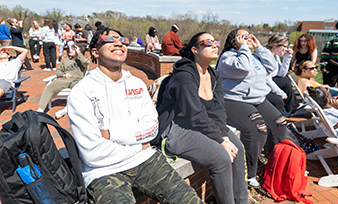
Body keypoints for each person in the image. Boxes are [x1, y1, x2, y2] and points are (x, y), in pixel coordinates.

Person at [67, 27, 203, 204]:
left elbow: (152, 128)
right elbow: (92, 153)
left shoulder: (136, 84)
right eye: (109, 40)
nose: (118, 43)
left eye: (122, 40)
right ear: (95, 52)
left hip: (147, 161)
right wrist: (139, 146)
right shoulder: (81, 92)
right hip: (103, 172)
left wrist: (112, 135)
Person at [156, 32, 249, 204]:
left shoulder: (214, 75)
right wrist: (221, 141)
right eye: (207, 42)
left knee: (238, 148)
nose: (214, 45)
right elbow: (195, 113)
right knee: (221, 157)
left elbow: (218, 110)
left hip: (200, 123)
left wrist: (224, 136)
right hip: (175, 128)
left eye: (215, 41)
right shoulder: (184, 76)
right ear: (195, 50)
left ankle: (242, 201)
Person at [216, 29, 287, 188]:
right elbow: (244, 68)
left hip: (257, 99)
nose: (247, 39)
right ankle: (250, 172)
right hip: (233, 100)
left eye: (249, 36)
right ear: (235, 41)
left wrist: (259, 47)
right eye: (243, 36)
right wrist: (244, 48)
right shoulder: (228, 58)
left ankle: (274, 164)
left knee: (280, 124)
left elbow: (272, 68)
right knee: (258, 129)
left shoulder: (253, 55)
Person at [37, 43, 89, 113]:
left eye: (73, 50)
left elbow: (86, 63)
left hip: (77, 81)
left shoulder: (82, 61)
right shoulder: (65, 61)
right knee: (49, 87)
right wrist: (64, 75)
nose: (71, 51)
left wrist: (79, 53)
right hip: (65, 80)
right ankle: (40, 110)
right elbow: (58, 72)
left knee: (77, 88)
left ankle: (72, 108)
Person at [265, 34, 300, 113]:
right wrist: (281, 94)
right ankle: (292, 108)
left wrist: (287, 57)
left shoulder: (275, 56)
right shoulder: (266, 57)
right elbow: (266, 79)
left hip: (270, 81)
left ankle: (293, 107)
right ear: (275, 46)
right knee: (278, 100)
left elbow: (281, 74)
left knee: (284, 79)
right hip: (262, 83)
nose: (286, 49)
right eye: (284, 46)